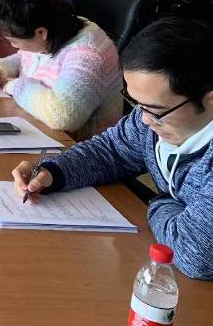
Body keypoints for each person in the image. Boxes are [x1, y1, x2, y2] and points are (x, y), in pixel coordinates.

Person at [13, 18, 213, 280]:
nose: (143, 120)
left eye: (155, 110)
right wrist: (52, 173)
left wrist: (160, 201)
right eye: (136, 104)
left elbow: (195, 255)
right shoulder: (152, 117)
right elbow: (111, 151)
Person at [0, 0, 122, 138]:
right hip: (36, 128)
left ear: (41, 32)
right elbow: (26, 58)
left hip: (78, 145)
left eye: (14, 41)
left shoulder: (89, 53)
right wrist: (0, 69)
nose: (14, 46)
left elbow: (62, 116)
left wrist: (13, 86)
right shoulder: (52, 28)